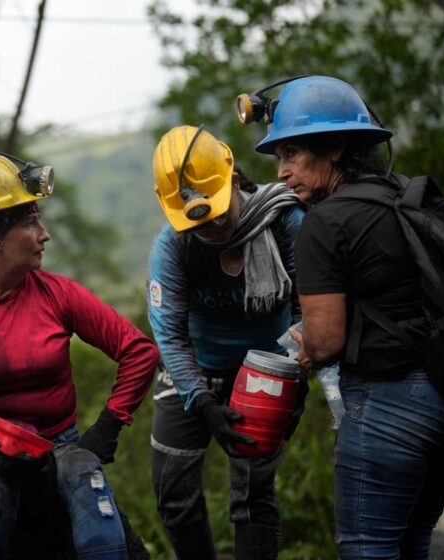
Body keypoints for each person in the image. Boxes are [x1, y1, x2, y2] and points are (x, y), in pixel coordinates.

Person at [0, 153, 159, 560]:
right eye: (30, 223)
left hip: (57, 444)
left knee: (90, 492)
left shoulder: (56, 293)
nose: (44, 234)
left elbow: (138, 351)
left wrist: (110, 424)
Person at [254, 75, 444, 559]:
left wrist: (302, 346)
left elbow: (324, 341)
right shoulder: (403, 200)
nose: (282, 172)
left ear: (336, 148)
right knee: (414, 544)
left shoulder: (325, 222)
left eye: (292, 155)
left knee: (367, 548)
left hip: (389, 408)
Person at [147, 125, 305, 560]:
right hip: (192, 367)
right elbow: (169, 333)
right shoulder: (173, 247)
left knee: (253, 496)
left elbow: (309, 306)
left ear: (234, 180)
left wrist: (297, 372)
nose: (212, 228)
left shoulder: (284, 222)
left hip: (267, 369)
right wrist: (201, 401)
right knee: (172, 492)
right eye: (198, 221)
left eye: (218, 212)